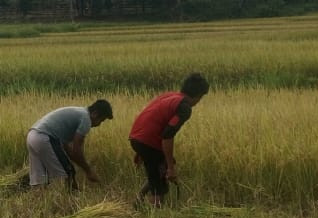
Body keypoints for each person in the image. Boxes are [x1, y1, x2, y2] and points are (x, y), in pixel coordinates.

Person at [128, 73, 210, 206]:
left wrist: (142, 148)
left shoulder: (170, 96)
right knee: (160, 180)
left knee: (159, 170)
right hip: (147, 141)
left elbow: (151, 119)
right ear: (198, 95)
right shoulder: (184, 107)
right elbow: (167, 136)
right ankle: (154, 211)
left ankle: (138, 200)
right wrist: (171, 168)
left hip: (137, 137)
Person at [26, 99, 113, 189]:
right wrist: (88, 171)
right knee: (67, 173)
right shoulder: (86, 119)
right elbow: (77, 150)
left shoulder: (78, 113)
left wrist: (79, 165)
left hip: (32, 136)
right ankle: (69, 197)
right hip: (45, 138)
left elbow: (67, 149)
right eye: (101, 120)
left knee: (39, 179)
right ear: (95, 114)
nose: (99, 124)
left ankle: (40, 199)